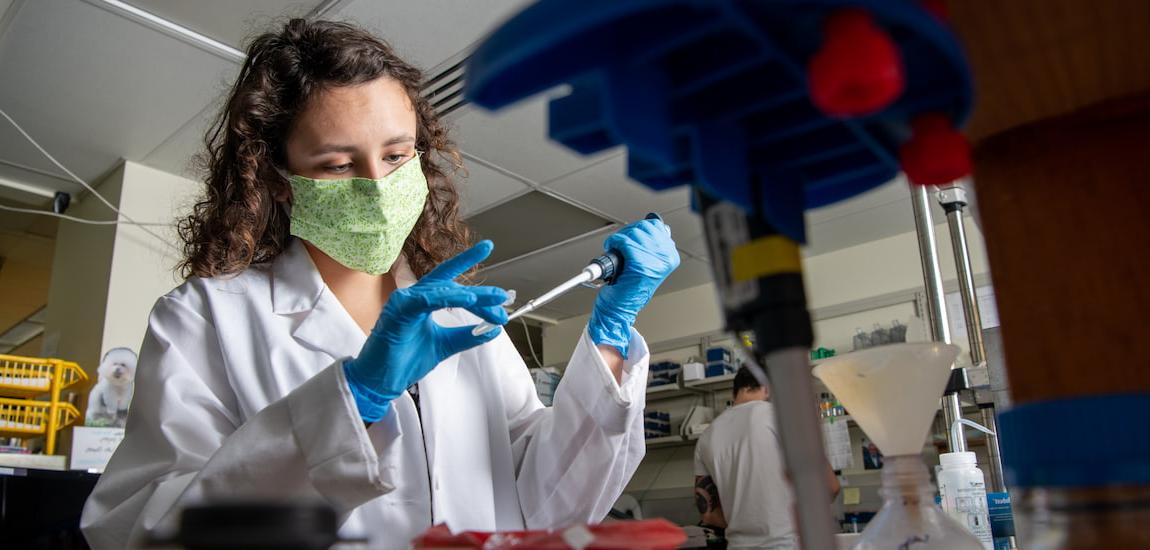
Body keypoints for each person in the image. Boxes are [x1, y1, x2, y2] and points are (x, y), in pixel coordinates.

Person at [80, 19, 679, 549]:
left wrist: (609, 331)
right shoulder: (206, 318)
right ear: (281, 177)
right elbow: (140, 529)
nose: (376, 185)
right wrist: (352, 400)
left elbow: (549, 504)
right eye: (338, 165)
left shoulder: (461, 319)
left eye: (396, 155)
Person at [694, 367, 840, 549]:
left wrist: (747, 525)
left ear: (735, 391)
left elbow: (707, 514)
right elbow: (831, 487)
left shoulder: (707, 436)